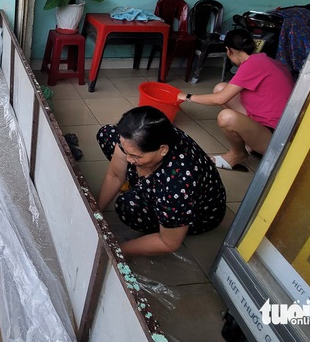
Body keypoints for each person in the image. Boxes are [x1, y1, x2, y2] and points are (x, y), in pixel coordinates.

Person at [97, 106, 226, 257]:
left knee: (129, 206)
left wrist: (116, 250)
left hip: (198, 215)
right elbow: (115, 175)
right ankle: (140, 181)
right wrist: (96, 213)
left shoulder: (178, 184)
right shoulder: (143, 137)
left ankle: (156, 215)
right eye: (126, 152)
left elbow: (169, 243)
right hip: (164, 181)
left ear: (163, 150)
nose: (129, 160)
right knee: (107, 134)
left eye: (136, 156)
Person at [176, 28, 295, 171]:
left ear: (229, 50)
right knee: (221, 87)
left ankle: (238, 154)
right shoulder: (263, 59)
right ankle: (250, 144)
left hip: (277, 139)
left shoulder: (252, 64)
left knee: (226, 117)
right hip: (277, 127)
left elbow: (219, 100)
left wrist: (187, 97)